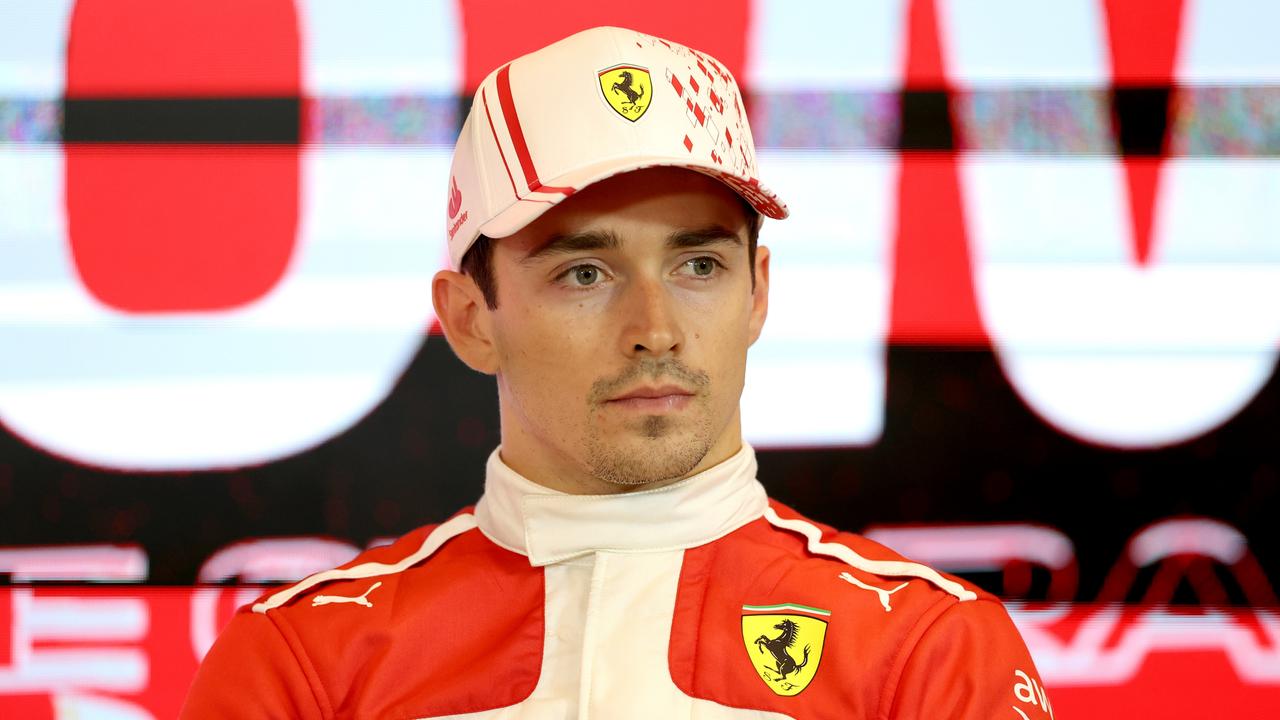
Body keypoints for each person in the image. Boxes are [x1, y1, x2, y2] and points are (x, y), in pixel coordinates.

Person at [181, 26, 1052, 719]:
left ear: (758, 294)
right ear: (470, 321)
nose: (656, 330)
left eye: (698, 266)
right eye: (584, 274)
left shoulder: (927, 650)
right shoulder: (304, 665)